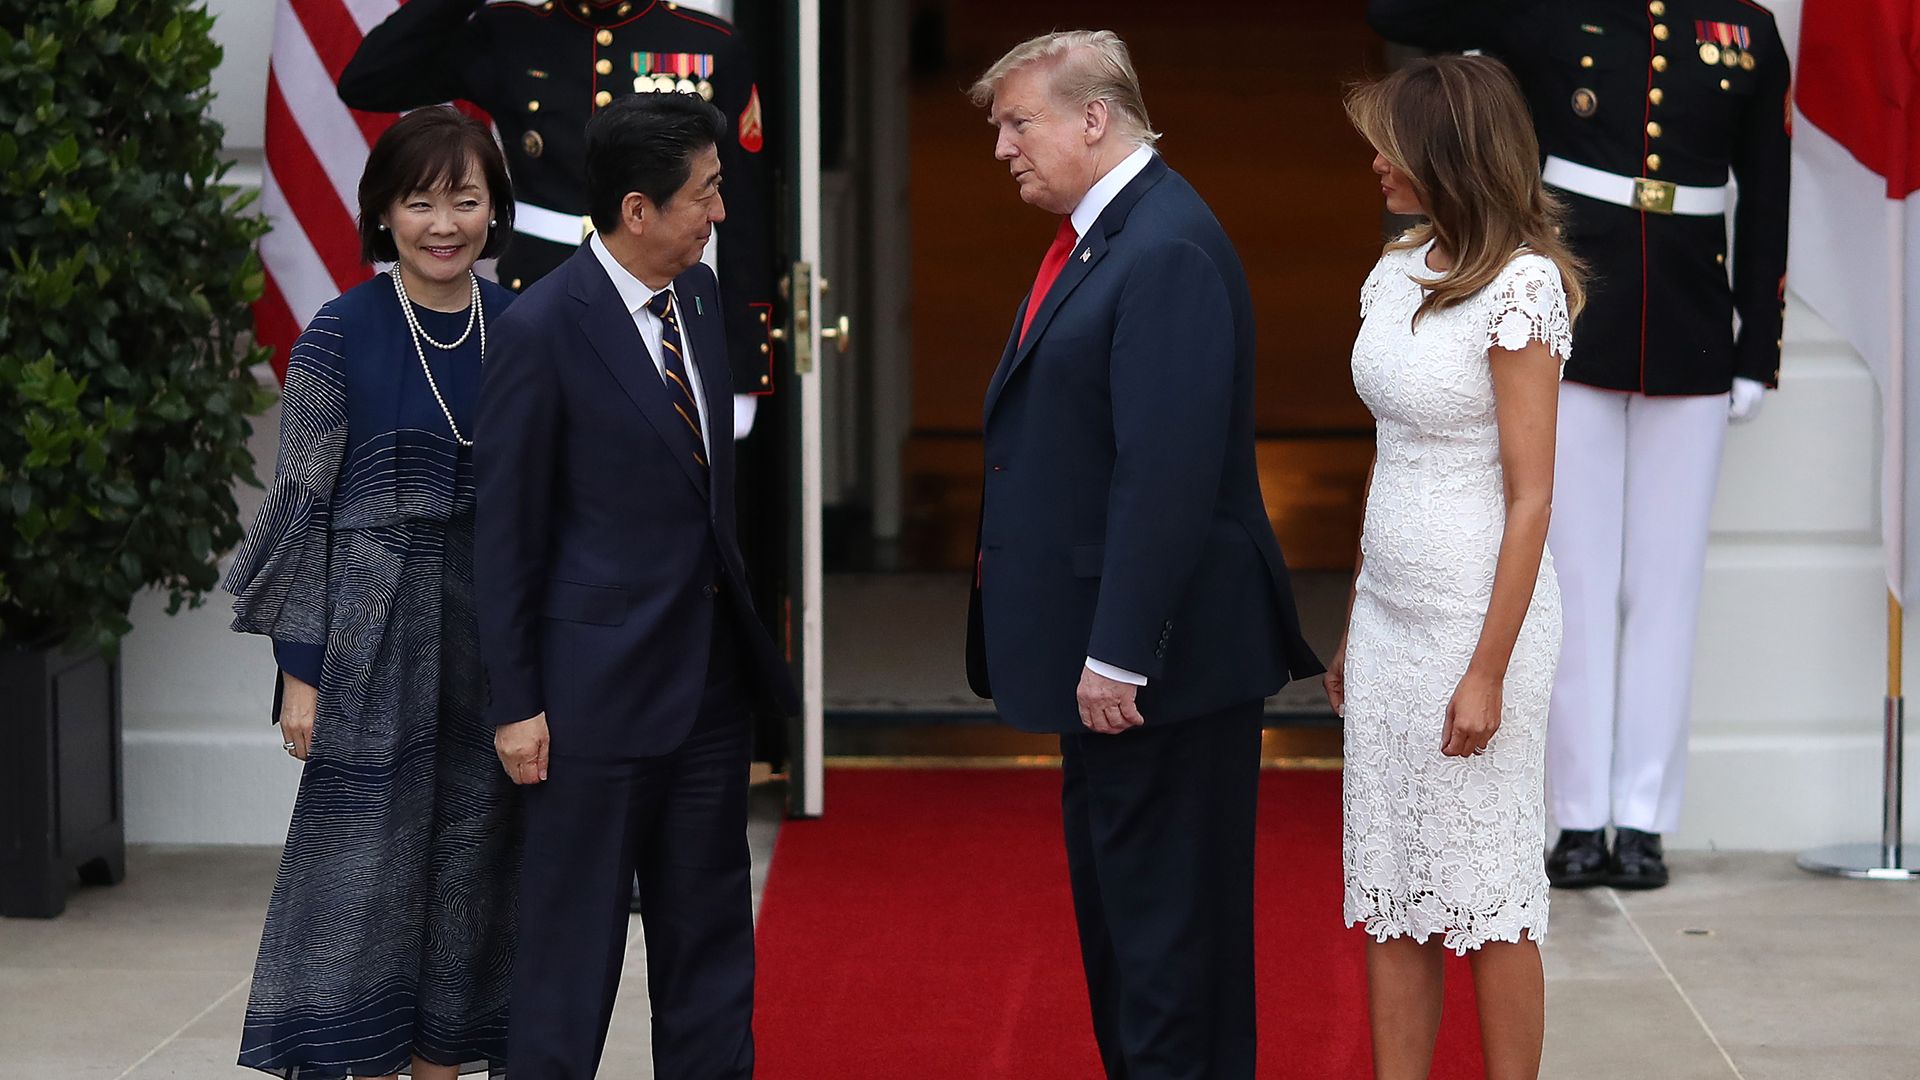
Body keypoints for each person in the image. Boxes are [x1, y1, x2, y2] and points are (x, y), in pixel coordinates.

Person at [1367, 0, 1792, 890]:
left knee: (1666, 587)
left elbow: (1767, 192)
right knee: (1576, 580)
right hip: (1581, 312)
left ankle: (1644, 818)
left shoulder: (1746, 30)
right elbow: (1397, 14)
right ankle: (1577, 818)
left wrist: (1758, 346)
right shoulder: (1552, 13)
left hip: (1691, 316)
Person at [964, 30, 1322, 1077]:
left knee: (1166, 949)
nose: (1003, 148)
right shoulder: (1106, 235)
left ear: (1093, 118)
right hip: (1125, 662)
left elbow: (1163, 472)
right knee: (1133, 937)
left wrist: (1120, 651)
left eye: (1017, 123)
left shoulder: (1160, 245)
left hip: (1163, 666)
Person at [473, 91, 799, 1079]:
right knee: (570, 963)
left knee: (708, 951)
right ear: (636, 209)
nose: (721, 212)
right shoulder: (541, 329)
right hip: (589, 706)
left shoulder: (698, 300)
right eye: (705, 193)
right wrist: (518, 703)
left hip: (706, 695)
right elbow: (507, 533)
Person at [224, 106, 521, 1080]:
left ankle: (444, 1063)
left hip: (491, 637)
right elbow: (301, 509)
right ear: (383, 213)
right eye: (420, 201)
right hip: (370, 630)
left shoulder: (523, 325)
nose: (445, 224)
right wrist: (299, 673)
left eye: (465, 200)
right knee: (359, 875)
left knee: (473, 866)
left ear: (494, 210)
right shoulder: (338, 331)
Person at [1328, 55, 1583, 1080]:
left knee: (1486, 893)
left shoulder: (1521, 289)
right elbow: (1388, 458)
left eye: (1392, 143)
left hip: (1484, 624)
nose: (1377, 163)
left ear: (1449, 153)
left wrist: (1484, 669)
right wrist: (1357, 617)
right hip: (1392, 622)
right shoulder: (1396, 268)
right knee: (1392, 888)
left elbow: (1532, 497)